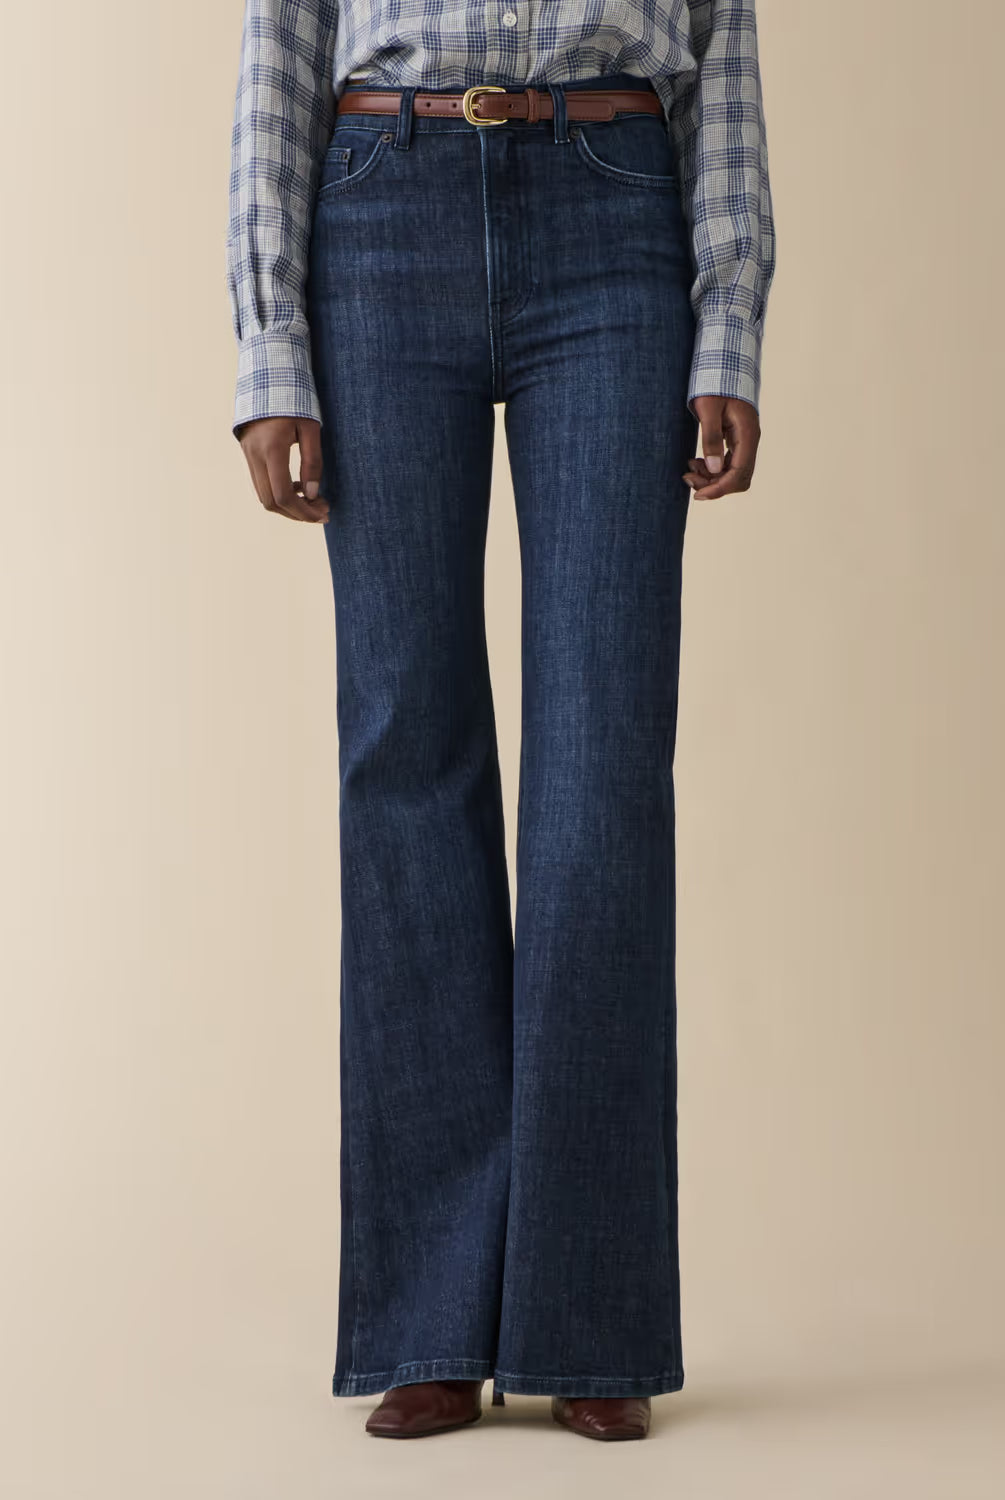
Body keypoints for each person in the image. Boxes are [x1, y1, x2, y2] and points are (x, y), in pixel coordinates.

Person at [226, 0, 775, 1443]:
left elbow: (722, 50)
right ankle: (429, 1318)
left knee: (603, 771)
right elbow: (283, 45)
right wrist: (271, 343)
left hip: (613, 207)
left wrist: (728, 326)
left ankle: (588, 1312)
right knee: (403, 749)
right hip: (379, 202)